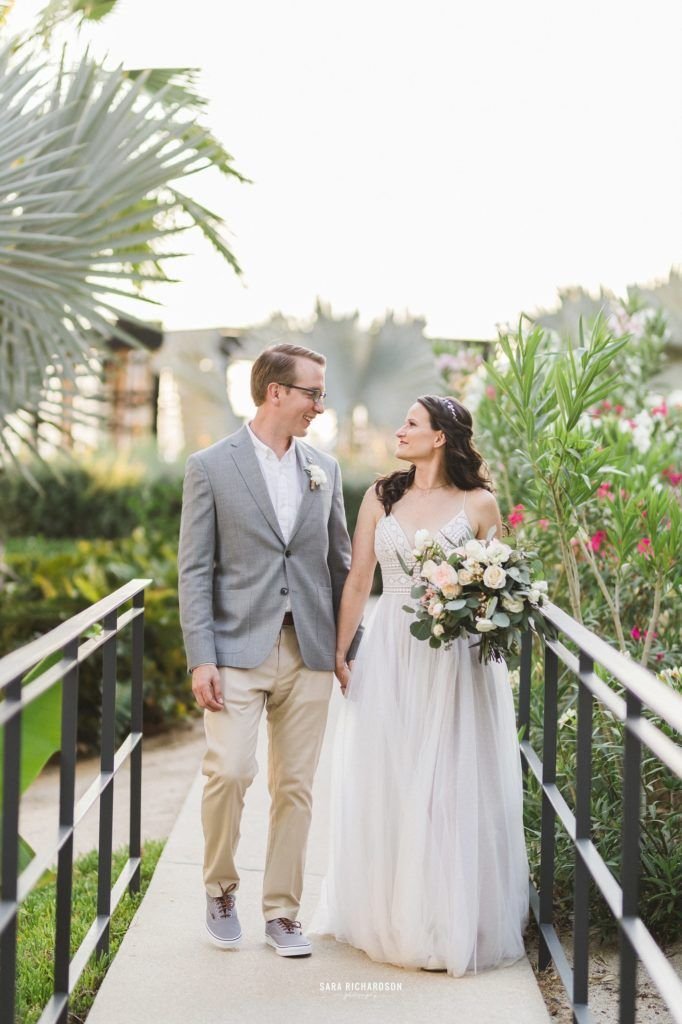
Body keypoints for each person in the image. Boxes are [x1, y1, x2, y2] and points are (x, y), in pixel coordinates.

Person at [311, 394, 529, 975]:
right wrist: (340, 649)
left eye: (411, 423)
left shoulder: (479, 502)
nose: (399, 429)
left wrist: (472, 606)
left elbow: (501, 586)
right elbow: (360, 577)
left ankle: (447, 919)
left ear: (439, 438)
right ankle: (393, 911)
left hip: (454, 659)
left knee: (448, 784)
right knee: (393, 774)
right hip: (389, 649)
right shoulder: (382, 495)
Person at [178, 343, 361, 958]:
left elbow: (338, 562)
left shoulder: (325, 468)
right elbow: (194, 569)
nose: (319, 404)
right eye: (312, 392)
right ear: (275, 392)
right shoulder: (210, 466)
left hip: (308, 648)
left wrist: (346, 647)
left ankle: (283, 913)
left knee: (296, 786)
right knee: (228, 771)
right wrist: (201, 655)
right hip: (235, 648)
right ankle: (220, 888)